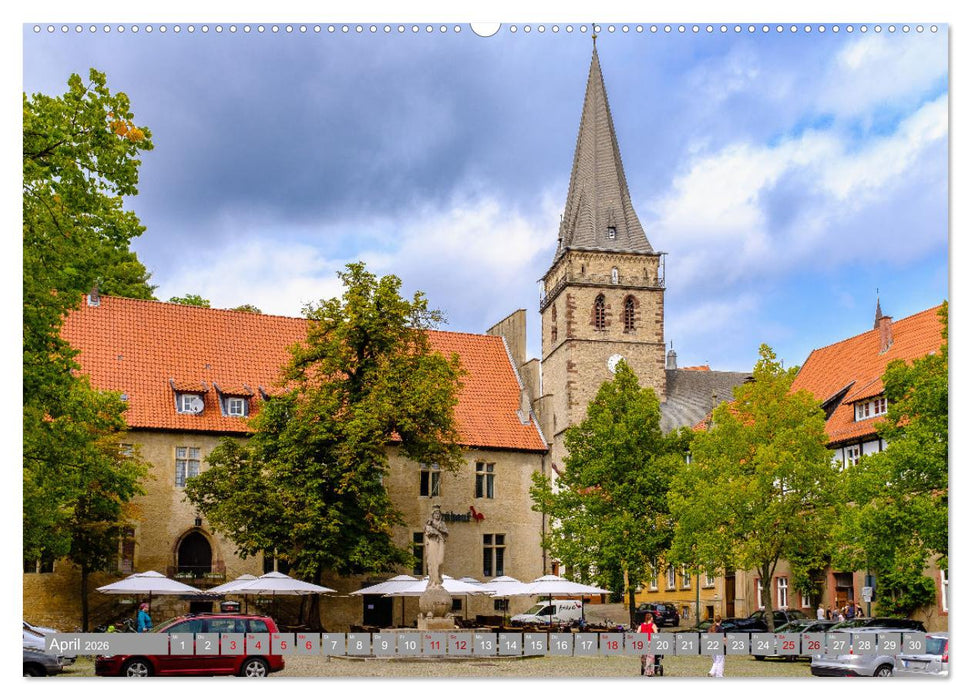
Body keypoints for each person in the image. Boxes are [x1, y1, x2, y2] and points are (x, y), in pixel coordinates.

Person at [423, 505, 449, 587]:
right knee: (432, 562)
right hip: (432, 543)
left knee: (440, 562)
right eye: (435, 513)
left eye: (438, 513)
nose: (437, 515)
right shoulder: (429, 524)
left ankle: (439, 578)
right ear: (433, 515)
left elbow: (446, 533)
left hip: (440, 543)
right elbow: (427, 533)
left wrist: (438, 530)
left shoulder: (442, 524)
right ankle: (434, 581)